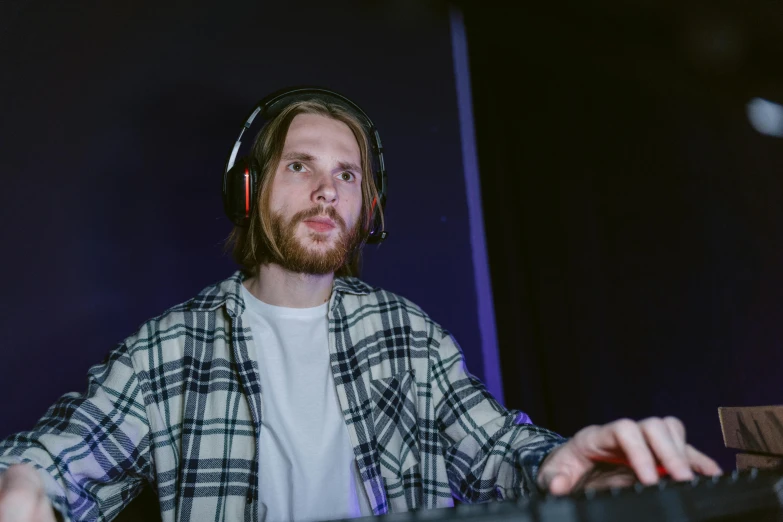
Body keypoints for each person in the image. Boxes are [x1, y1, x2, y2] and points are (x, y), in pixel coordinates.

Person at [0, 88, 721, 522]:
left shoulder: (408, 337)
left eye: (346, 174)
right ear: (250, 194)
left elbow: (500, 450)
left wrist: (579, 467)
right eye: (299, 166)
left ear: (366, 205)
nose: (326, 190)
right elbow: (56, 459)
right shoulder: (172, 347)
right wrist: (25, 480)